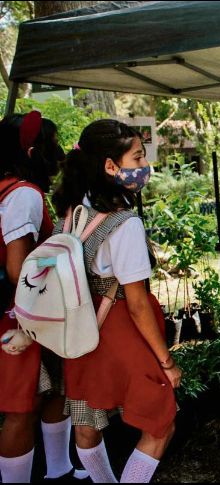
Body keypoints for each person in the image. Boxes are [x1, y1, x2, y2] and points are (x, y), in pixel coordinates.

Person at [51, 119, 181, 483]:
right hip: (121, 330)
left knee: (86, 422)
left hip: (80, 331)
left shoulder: (71, 215)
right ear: (111, 166)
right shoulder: (124, 225)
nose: (143, 166)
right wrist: (166, 361)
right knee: (160, 423)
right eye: (137, 157)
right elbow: (137, 303)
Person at [0, 111, 89, 483]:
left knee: (54, 390)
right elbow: (19, 268)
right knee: (22, 406)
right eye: (53, 145)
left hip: (27, 311)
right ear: (33, 151)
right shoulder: (24, 195)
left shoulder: (6, 187)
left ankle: (59, 469)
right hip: (25, 314)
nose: (59, 153)